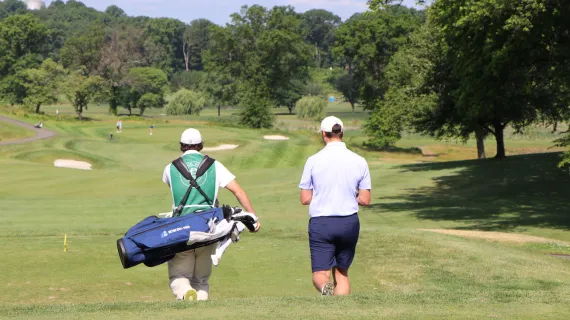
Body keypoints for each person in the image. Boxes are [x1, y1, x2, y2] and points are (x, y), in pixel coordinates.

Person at [162, 128, 261, 301]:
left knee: (179, 276)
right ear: (200, 145)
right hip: (209, 229)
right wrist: (253, 217)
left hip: (182, 230)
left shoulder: (170, 168)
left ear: (182, 145)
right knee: (201, 279)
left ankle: (186, 293)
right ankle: (200, 307)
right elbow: (238, 192)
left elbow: (178, 197)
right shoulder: (215, 166)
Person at [298, 116, 371, 296]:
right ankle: (341, 310)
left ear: (324, 134)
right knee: (341, 272)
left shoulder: (313, 160)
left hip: (321, 223)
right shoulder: (359, 160)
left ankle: (326, 289)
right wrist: (350, 194)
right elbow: (365, 200)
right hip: (349, 223)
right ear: (342, 133)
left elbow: (305, 198)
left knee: (320, 273)